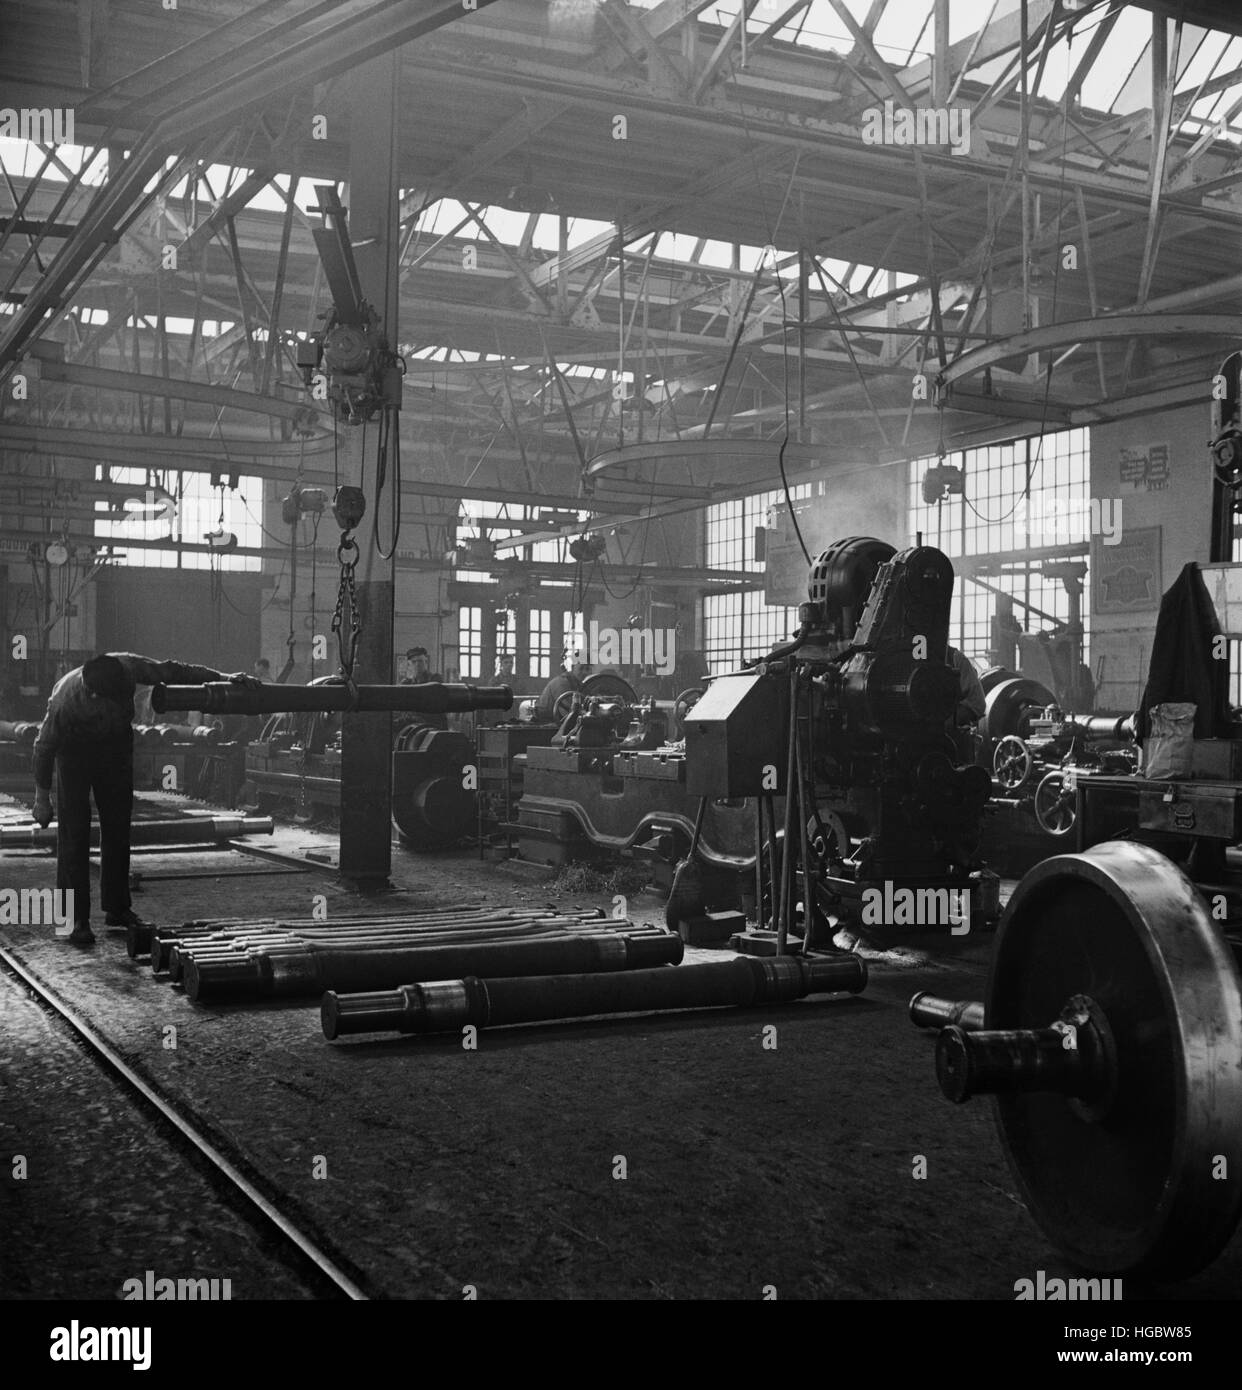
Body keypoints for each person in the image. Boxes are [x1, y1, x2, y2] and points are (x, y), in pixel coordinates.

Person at [32, 653, 260, 946]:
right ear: (93, 695)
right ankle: (75, 919)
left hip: (114, 747)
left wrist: (226, 678)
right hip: (74, 752)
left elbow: (177, 670)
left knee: (117, 828)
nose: (118, 706)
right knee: (73, 834)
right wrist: (42, 799)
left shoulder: (127, 667)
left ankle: (117, 908)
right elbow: (43, 747)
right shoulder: (66, 701)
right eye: (111, 703)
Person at [399, 646, 447, 731]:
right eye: (414, 662)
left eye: (420, 661)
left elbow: (432, 704)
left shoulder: (435, 679)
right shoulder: (406, 683)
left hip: (433, 726)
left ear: (426, 663)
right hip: (412, 727)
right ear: (409, 665)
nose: (417, 664)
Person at [534, 655, 588, 722]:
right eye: (581, 668)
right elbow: (567, 712)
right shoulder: (562, 683)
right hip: (545, 723)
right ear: (573, 668)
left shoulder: (578, 683)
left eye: (587, 669)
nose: (585, 672)